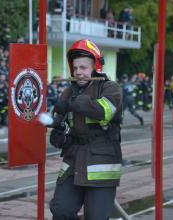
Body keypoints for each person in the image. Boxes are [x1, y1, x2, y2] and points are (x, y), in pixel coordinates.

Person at [49, 39, 123, 220]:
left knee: (95, 217)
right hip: (73, 161)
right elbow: (61, 129)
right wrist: (59, 133)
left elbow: (103, 111)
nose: (78, 72)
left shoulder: (110, 88)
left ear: (95, 67)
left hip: (101, 162)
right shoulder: (67, 92)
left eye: (83, 68)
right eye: (75, 68)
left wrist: (74, 103)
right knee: (61, 211)